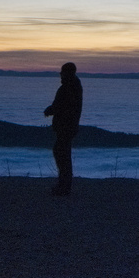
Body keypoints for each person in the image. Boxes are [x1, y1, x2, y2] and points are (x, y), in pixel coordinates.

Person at [43, 61, 83, 196]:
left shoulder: (68, 87)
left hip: (66, 126)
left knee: (62, 154)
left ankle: (64, 186)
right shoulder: (74, 86)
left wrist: (50, 110)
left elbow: (61, 106)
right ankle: (64, 185)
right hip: (69, 126)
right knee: (62, 153)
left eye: (62, 72)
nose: (60, 75)